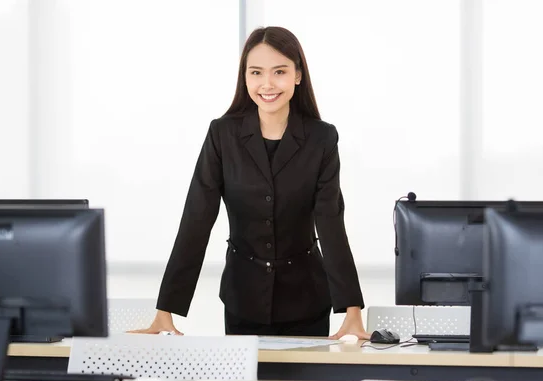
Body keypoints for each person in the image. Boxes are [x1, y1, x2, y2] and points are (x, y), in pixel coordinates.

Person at [131, 26, 369, 339]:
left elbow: (330, 222)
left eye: (279, 72)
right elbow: (196, 220)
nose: (267, 84)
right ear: (245, 77)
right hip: (243, 298)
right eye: (256, 72)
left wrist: (351, 309)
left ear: (298, 75)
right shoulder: (222, 134)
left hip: (307, 299)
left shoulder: (321, 138)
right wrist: (166, 310)